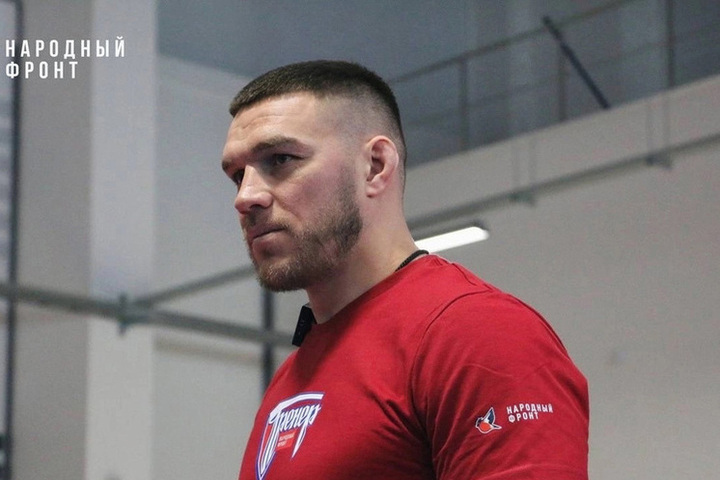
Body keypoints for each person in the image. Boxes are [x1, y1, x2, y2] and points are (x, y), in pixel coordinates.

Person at [221, 60, 589, 480]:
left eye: (280, 159)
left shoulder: (476, 334)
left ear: (375, 166)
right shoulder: (292, 377)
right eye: (237, 176)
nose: (245, 197)